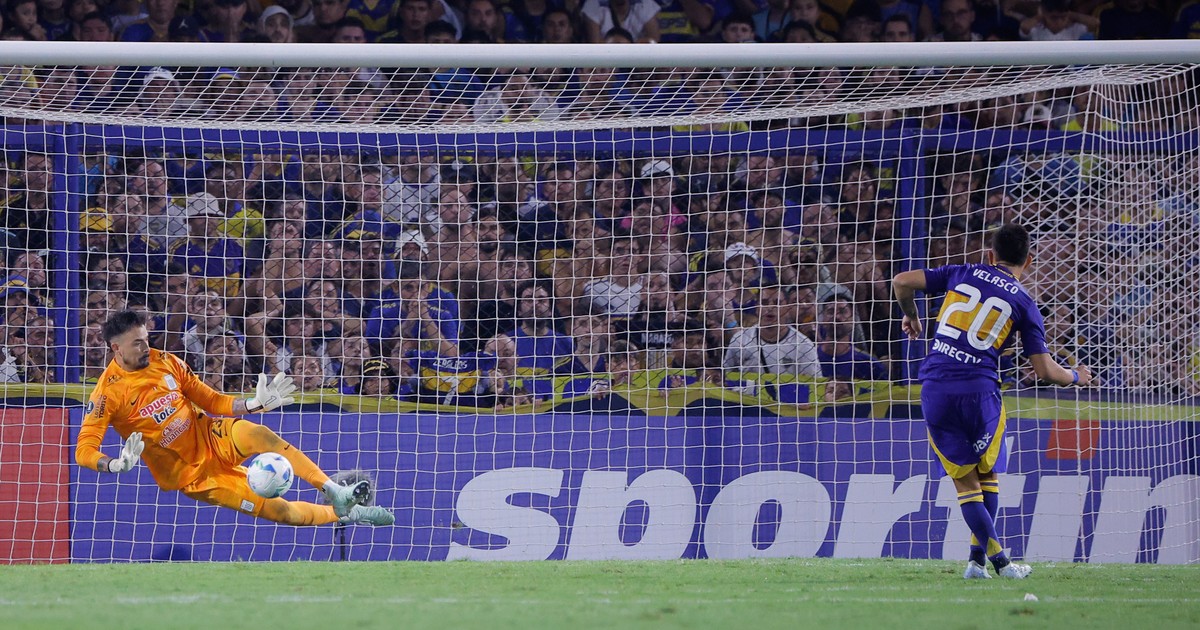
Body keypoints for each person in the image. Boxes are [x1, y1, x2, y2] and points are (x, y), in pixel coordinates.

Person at [892, 223, 1092, 580]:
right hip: (981, 392)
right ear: (1028, 261)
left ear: (990, 255)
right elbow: (1045, 370)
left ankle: (976, 562)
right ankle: (1002, 562)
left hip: (937, 387)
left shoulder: (962, 272)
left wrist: (912, 314)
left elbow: (901, 281)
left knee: (969, 483)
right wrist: (1076, 376)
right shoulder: (1025, 303)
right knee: (987, 474)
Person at [75, 310, 394, 527]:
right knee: (283, 513)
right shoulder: (107, 394)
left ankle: (334, 490)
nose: (147, 347)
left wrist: (253, 404)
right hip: (194, 476)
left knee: (260, 435)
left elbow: (211, 400)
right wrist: (113, 465)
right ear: (116, 348)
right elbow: (84, 449)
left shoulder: (166, 361)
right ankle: (349, 514)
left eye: (146, 339)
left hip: (210, 435)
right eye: (137, 344)